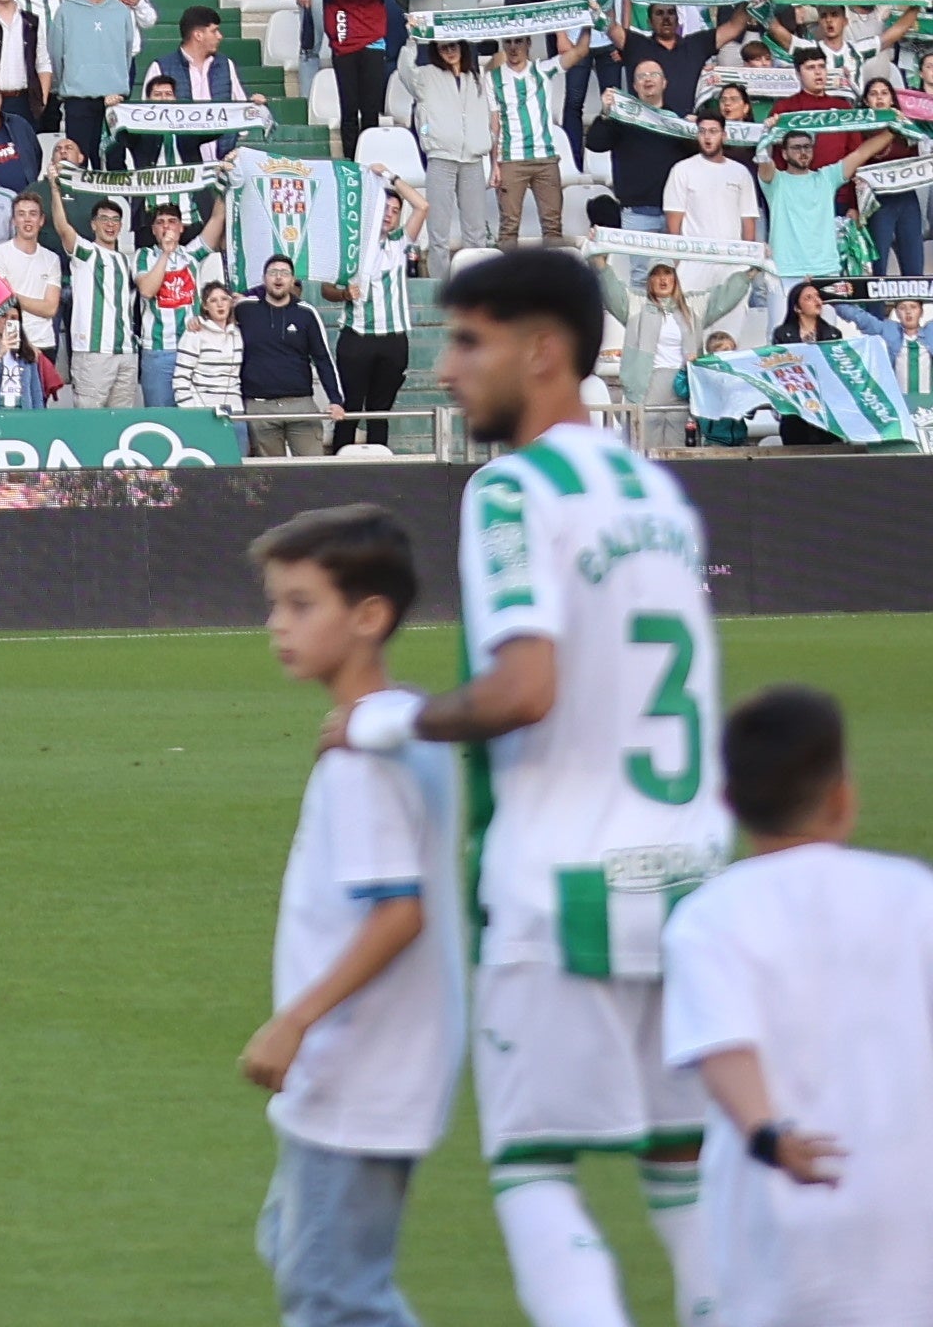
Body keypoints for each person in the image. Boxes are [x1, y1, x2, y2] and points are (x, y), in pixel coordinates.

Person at [339, 244, 722, 1327]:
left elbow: (522, 688)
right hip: (689, 885)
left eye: (468, 342)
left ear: (543, 352)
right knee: (685, 1177)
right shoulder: (658, 491)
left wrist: (390, 715)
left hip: (561, 889)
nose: (447, 370)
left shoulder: (512, 490)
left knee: (535, 1169)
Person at [237, 505, 458, 1327]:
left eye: (300, 605)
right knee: (299, 1253)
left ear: (370, 617)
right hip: (368, 1063)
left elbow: (400, 914)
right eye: (275, 604)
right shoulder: (401, 724)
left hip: (360, 1067)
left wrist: (293, 1021)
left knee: (332, 1294)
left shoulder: (363, 760)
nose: (276, 626)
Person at [660, 682, 931, 1327]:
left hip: (773, 1227)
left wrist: (767, 1133)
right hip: (910, 1215)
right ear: (842, 794)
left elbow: (724, 1045)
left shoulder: (707, 917)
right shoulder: (916, 895)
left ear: (728, 802)